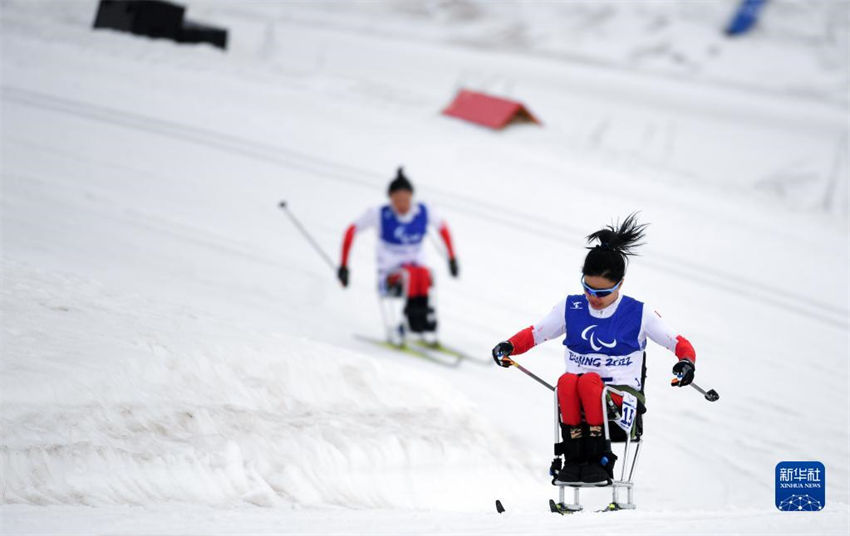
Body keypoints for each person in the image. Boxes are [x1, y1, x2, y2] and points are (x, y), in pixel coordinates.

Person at [491, 213, 697, 486]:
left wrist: (686, 363)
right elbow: (535, 333)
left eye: (602, 293)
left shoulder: (638, 313)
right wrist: (509, 346)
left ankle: (601, 461)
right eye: (588, 289)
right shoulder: (571, 307)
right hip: (577, 396)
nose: (593, 298)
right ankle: (574, 460)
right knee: (566, 382)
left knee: (589, 382)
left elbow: (678, 342)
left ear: (620, 284)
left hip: (622, 402)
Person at [338, 167, 459, 345]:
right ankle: (410, 325)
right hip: (390, 275)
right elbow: (351, 230)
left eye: (405, 199)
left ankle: (424, 325)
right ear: (391, 199)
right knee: (409, 274)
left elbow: (443, 228)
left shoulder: (423, 211)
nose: (402, 204)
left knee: (425, 273)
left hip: (418, 273)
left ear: (411, 197)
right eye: (397, 200)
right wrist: (344, 266)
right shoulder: (379, 214)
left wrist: (452, 258)